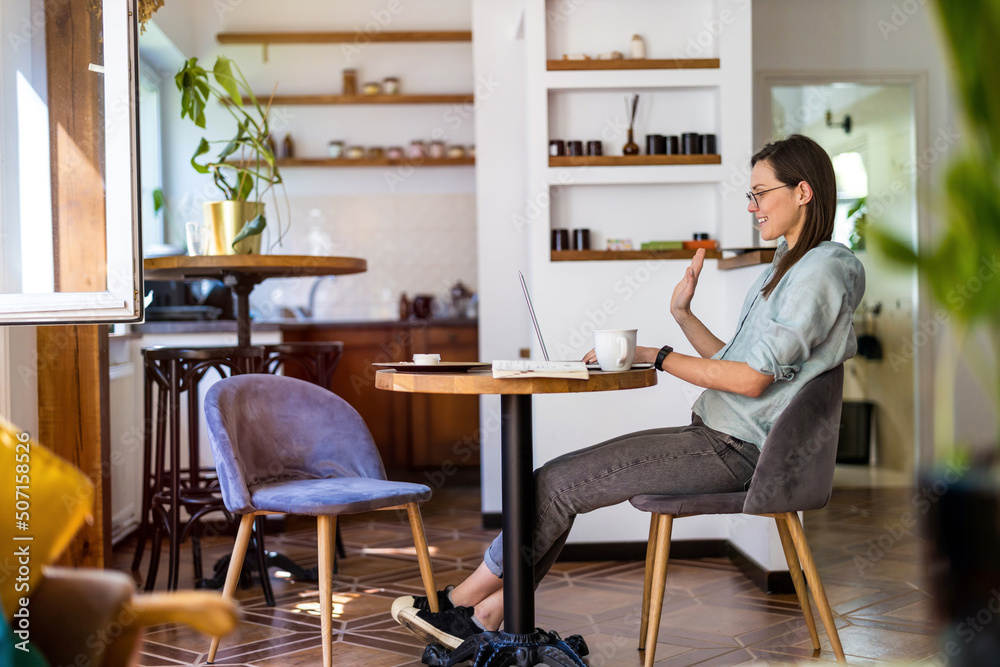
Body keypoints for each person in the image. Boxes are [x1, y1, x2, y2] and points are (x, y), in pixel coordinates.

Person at [391, 134, 866, 650]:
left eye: (759, 193)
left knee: (554, 484)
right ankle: (487, 617)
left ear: (803, 192)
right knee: (553, 485)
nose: (752, 207)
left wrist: (654, 355)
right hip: (718, 436)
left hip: (741, 451)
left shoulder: (823, 269)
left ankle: (456, 606)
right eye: (748, 196)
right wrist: (682, 315)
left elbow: (750, 379)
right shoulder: (785, 265)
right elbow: (735, 363)